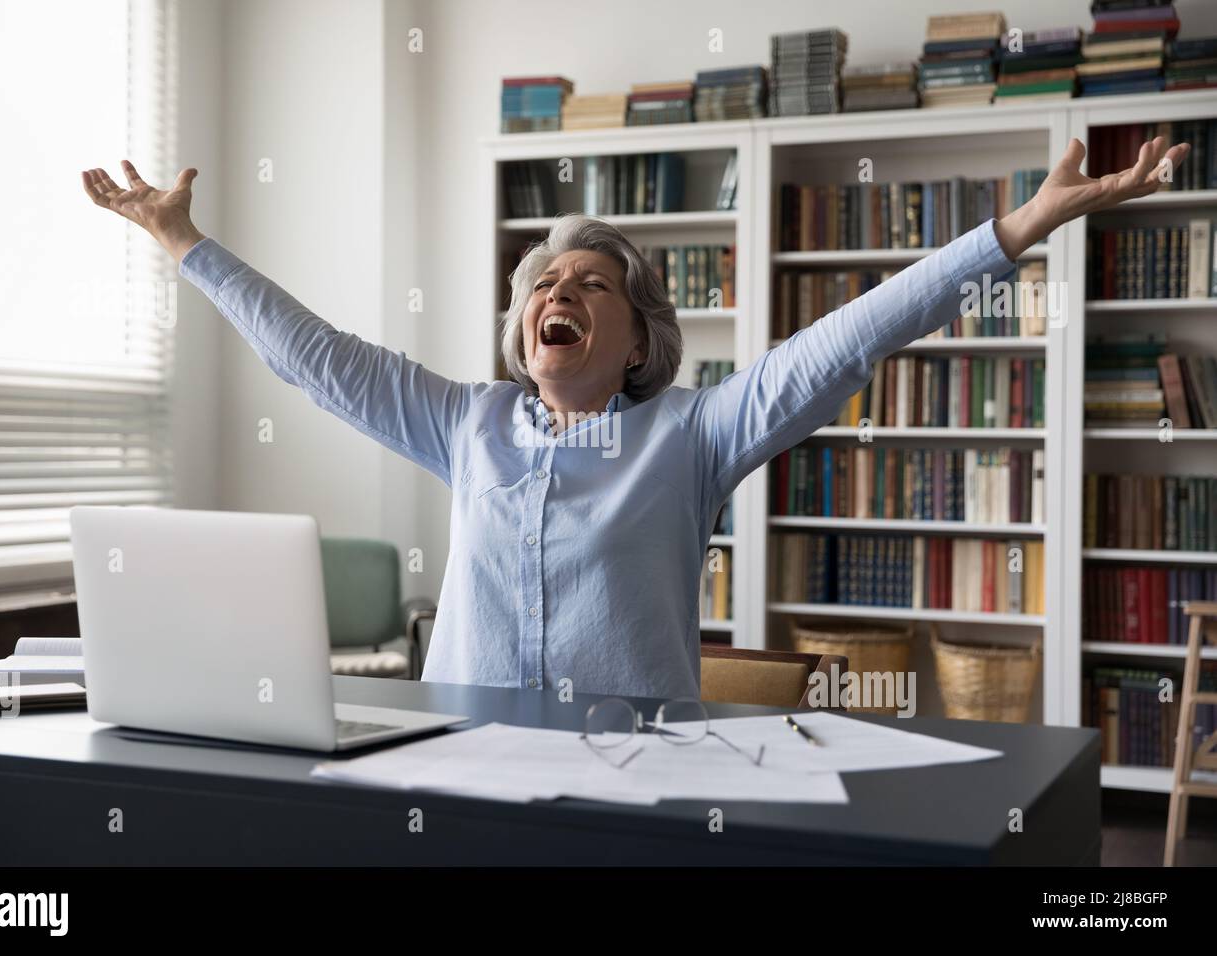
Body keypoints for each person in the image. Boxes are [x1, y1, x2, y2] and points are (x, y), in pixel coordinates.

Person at [81, 135, 1187, 699]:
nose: (553, 294)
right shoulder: (466, 424)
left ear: (640, 336)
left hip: (637, 788)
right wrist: (184, 244)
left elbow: (852, 335)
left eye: (586, 285)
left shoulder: (693, 431)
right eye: (536, 286)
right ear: (518, 331)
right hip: (455, 769)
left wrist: (1023, 224)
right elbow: (313, 359)